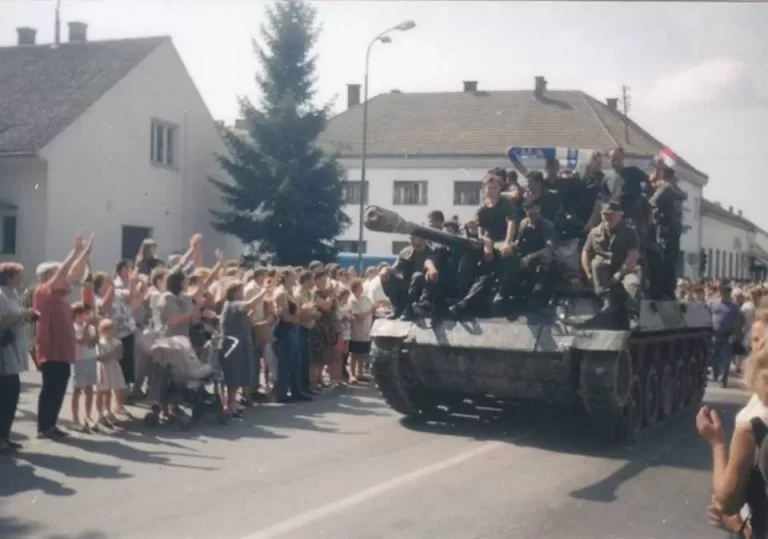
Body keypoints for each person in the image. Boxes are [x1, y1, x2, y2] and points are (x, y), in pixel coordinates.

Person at [699, 310, 768, 538]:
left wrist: (718, 442)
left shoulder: (752, 423)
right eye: (754, 340)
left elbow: (725, 503)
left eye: (761, 340)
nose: (756, 346)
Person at [34, 234, 92, 439]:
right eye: (55, 272)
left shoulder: (59, 294)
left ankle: (51, 424)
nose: (62, 276)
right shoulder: (44, 290)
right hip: (51, 349)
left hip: (63, 350)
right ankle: (44, 426)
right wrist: (75, 251)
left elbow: (73, 274)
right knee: (51, 387)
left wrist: (85, 254)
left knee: (59, 388)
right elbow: (64, 272)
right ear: (47, 275)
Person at [581, 202, 642, 317]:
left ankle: (632, 315)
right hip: (602, 271)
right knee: (596, 264)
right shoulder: (594, 233)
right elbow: (585, 252)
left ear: (620, 215)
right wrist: (587, 272)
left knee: (633, 285)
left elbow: (633, 256)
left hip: (625, 270)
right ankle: (606, 302)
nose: (608, 217)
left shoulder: (630, 232)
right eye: (605, 214)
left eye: (612, 214)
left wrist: (618, 275)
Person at [0, 262, 36, 453]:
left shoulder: (13, 294)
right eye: (19, 275)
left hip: (14, 350)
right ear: (10, 276)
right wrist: (23, 314)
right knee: (6, 394)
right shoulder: (1, 295)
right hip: (4, 353)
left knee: (11, 396)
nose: (22, 278)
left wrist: (26, 316)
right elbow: (2, 321)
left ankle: (5, 435)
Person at [649, 164, 687, 299]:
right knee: (671, 262)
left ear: (662, 174)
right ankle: (669, 291)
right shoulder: (676, 189)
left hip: (664, 230)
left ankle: (662, 291)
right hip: (674, 231)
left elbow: (651, 203)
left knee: (662, 261)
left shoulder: (665, 188)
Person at [380, 236, 435, 320]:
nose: (412, 241)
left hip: (423, 286)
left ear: (422, 239)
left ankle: (410, 310)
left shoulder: (431, 252)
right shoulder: (406, 251)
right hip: (407, 282)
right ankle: (397, 308)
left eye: (415, 238)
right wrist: (386, 270)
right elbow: (396, 268)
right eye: (411, 239)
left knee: (417, 276)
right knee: (390, 275)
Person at [707, 285, 744, 388]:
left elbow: (740, 319)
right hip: (714, 334)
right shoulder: (712, 303)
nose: (726, 295)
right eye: (724, 293)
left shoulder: (734, 307)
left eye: (728, 293)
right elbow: (706, 313)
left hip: (727, 336)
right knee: (714, 356)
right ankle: (715, 374)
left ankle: (723, 379)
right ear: (720, 293)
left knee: (726, 358)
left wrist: (737, 334)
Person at [71, 302, 99, 432]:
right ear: (77, 314)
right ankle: (75, 419)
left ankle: (88, 416)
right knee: (77, 390)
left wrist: (96, 326)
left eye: (88, 313)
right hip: (79, 361)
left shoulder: (90, 327)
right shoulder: (73, 327)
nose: (87, 316)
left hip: (91, 358)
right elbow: (82, 341)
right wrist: (88, 326)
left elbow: (94, 341)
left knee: (89, 389)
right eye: (84, 313)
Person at [95, 319, 128, 428]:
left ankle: (108, 411)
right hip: (103, 368)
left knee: (113, 390)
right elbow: (100, 358)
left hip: (113, 367)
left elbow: (119, 355)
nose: (110, 331)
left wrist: (113, 354)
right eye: (107, 329)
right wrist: (111, 354)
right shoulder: (99, 343)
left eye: (112, 329)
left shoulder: (117, 342)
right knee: (103, 391)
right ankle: (101, 414)